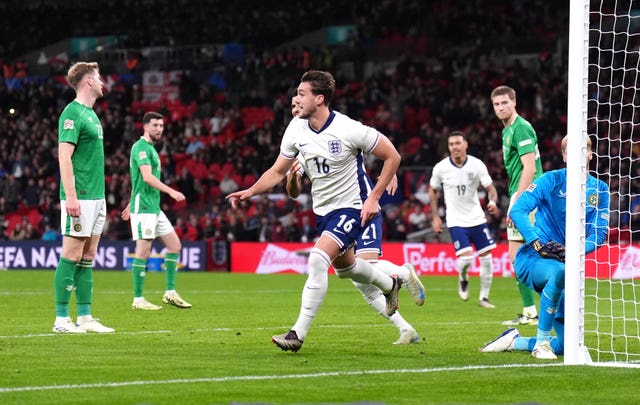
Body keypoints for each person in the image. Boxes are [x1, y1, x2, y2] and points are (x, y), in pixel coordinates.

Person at [227, 71, 425, 352]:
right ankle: (391, 282)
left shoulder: (348, 128)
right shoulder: (295, 129)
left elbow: (393, 155)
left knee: (318, 259)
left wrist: (374, 198)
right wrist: (250, 191)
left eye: (301, 93)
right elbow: (277, 172)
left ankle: (297, 334)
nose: (296, 99)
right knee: (347, 271)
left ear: (319, 99)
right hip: (325, 211)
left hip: (354, 206)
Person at [286, 97, 423, 345]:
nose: (295, 106)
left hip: (360, 209)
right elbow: (294, 187)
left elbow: (387, 154)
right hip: (332, 213)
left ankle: (400, 276)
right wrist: (292, 178)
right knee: (350, 274)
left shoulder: (344, 128)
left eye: (299, 101)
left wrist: (386, 176)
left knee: (362, 267)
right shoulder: (302, 142)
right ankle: (405, 323)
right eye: (292, 105)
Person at [480, 134, 609, 359]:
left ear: (590, 154)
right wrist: (538, 244)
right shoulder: (551, 180)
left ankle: (515, 341)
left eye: (583, 151)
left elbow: (600, 233)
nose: (578, 155)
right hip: (533, 258)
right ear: (565, 157)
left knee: (568, 347)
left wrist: (575, 251)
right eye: (572, 152)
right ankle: (541, 343)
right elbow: (518, 211)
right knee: (559, 271)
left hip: (565, 265)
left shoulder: (600, 189)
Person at [52, 62, 114, 333]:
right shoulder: (72, 113)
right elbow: (64, 156)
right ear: (88, 81)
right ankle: (61, 319)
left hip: (97, 196)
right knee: (71, 254)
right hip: (81, 196)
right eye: (98, 78)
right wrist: (72, 197)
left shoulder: (91, 115)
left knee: (88, 256)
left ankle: (85, 317)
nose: (102, 82)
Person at [121, 112, 192, 310]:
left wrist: (129, 203)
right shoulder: (141, 148)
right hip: (144, 208)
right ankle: (138, 299)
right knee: (143, 251)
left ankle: (170, 292)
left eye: (161, 125)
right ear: (145, 126)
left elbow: (136, 180)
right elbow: (146, 177)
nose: (159, 129)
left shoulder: (151, 149)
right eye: (155, 125)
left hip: (152, 207)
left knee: (174, 245)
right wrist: (171, 191)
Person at [428, 131, 499, 308]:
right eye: (451, 144)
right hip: (456, 220)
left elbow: (491, 189)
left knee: (487, 258)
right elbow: (432, 189)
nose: (455, 147)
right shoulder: (441, 168)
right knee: (466, 259)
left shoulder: (476, 165)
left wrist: (492, 201)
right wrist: (436, 216)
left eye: (458, 143)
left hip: (476, 218)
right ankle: (463, 278)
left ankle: (484, 297)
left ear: (465, 145)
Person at [491, 85, 542, 325]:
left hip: (527, 197)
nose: (501, 107)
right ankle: (532, 311)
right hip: (522, 195)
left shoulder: (521, 128)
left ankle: (543, 307)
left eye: (504, 103)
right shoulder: (507, 131)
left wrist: (518, 202)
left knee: (523, 255)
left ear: (514, 102)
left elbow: (530, 168)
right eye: (496, 104)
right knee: (519, 255)